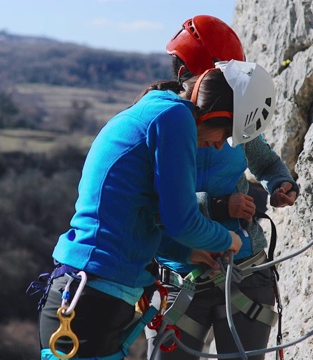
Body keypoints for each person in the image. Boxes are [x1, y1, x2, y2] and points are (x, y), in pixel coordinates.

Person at [30, 60, 276, 360]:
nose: (218, 146)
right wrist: (229, 240)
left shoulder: (157, 111)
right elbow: (181, 220)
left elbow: (139, 221)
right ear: (217, 114)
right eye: (224, 135)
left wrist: (188, 253)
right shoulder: (174, 118)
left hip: (85, 295)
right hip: (93, 302)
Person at [146, 15, 299, 360]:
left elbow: (267, 162)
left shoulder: (232, 116)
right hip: (182, 273)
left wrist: (282, 184)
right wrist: (218, 205)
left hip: (244, 269)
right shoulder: (165, 122)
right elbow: (157, 206)